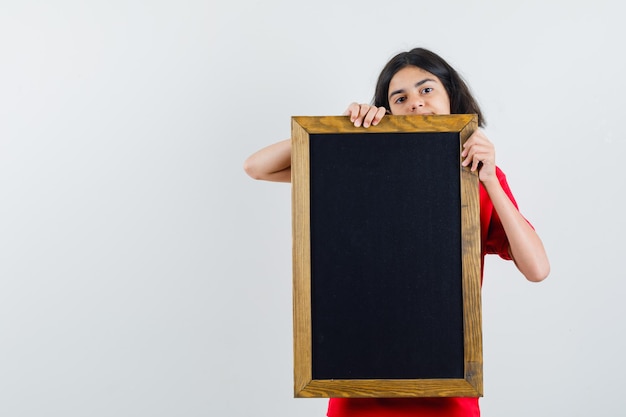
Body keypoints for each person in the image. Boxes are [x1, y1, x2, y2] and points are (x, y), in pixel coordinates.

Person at [244, 47, 550, 417]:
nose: (415, 104)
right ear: (387, 108)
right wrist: (336, 133)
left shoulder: (478, 177)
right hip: (357, 388)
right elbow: (256, 167)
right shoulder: (358, 167)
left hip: (445, 391)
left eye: (426, 90)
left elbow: (537, 269)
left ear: (450, 96)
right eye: (399, 97)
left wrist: (491, 182)